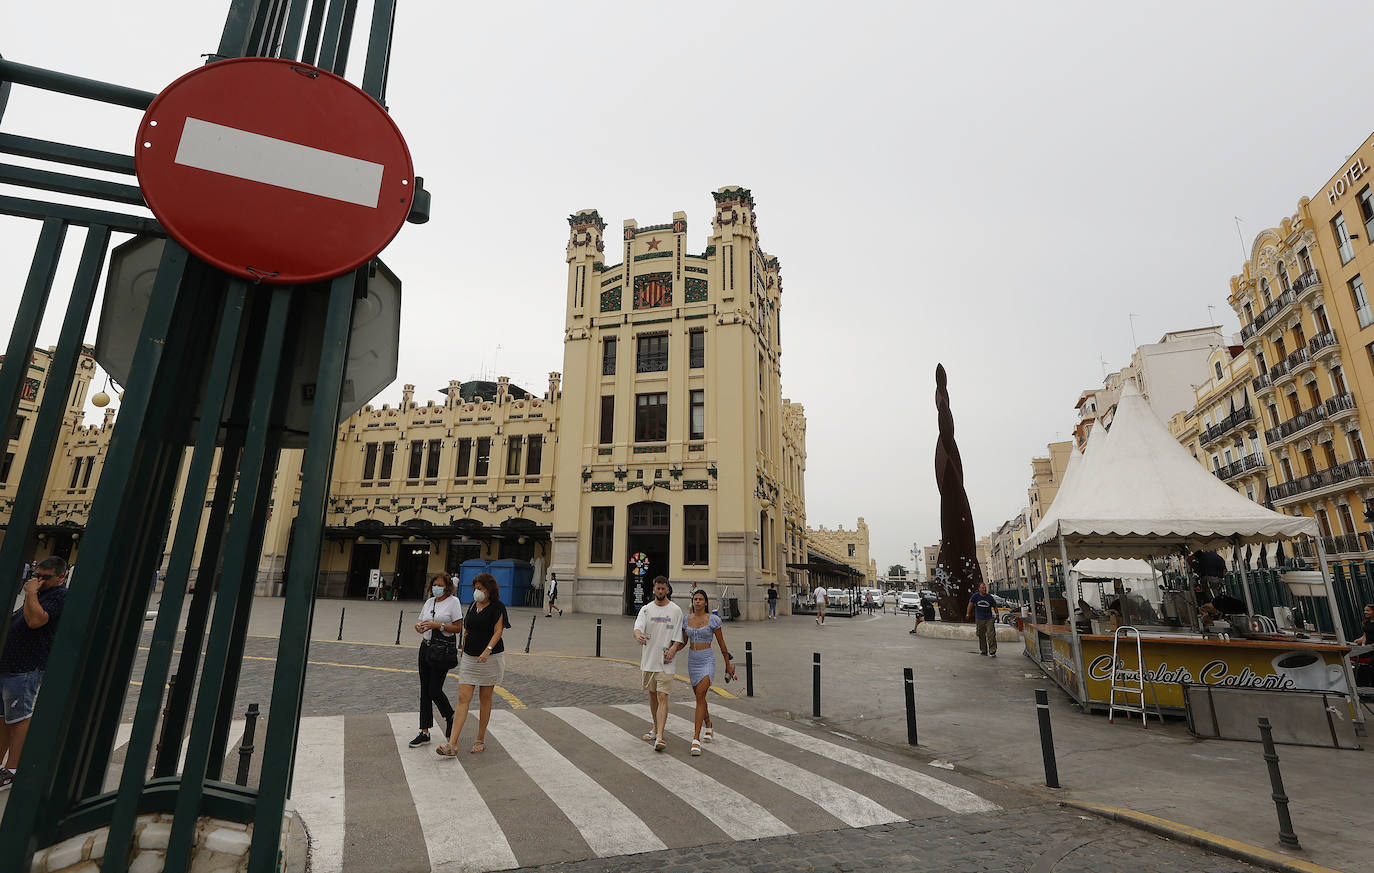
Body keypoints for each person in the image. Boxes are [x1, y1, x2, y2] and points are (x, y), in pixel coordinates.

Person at [0, 557, 68, 790]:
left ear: (61, 576)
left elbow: (35, 620)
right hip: (10, 664)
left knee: (19, 718)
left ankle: (13, 769)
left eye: (45, 577)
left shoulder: (59, 595)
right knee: (3, 718)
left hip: (26, 665)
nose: (39, 580)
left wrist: (30, 592)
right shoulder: (42, 593)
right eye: (37, 575)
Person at [438, 572, 510, 755]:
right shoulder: (472, 606)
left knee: (485, 698)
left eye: (480, 589)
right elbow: (468, 628)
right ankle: (452, 744)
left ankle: (480, 738)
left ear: (489, 590)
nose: (476, 592)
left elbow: (498, 631)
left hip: (490, 659)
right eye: (475, 588)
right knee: (463, 699)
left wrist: (488, 650)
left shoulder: (497, 607)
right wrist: (463, 645)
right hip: (470, 657)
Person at [407, 572, 463, 749]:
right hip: (426, 647)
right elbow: (421, 624)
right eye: (434, 585)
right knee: (424, 690)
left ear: (447, 586)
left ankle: (449, 715)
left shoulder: (453, 602)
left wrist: (439, 625)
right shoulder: (429, 602)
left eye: (440, 585)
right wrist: (419, 627)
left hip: (442, 650)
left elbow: (458, 628)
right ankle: (424, 731)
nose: (436, 588)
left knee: (434, 689)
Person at [633, 576, 684, 752]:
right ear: (653, 589)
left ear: (667, 589)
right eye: (658, 589)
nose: (660, 591)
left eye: (663, 589)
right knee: (653, 695)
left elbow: (679, 636)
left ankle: (660, 737)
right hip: (649, 660)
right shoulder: (646, 610)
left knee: (663, 696)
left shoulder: (676, 610)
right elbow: (637, 627)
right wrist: (638, 635)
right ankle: (655, 728)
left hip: (666, 661)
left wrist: (674, 648)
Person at [683, 590, 737, 756]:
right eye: (695, 599)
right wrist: (670, 650)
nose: (697, 602)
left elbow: (722, 645)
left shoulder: (713, 620)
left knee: (700, 696)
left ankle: (695, 739)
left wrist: (728, 665)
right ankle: (709, 724)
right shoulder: (687, 619)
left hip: (707, 660)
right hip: (693, 660)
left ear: (706, 602)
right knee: (700, 697)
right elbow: (682, 642)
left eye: (700, 599)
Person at [966, 582, 998, 657]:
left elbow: (995, 606)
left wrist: (997, 614)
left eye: (985, 588)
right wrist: (968, 613)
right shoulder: (975, 596)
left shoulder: (989, 597)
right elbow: (970, 604)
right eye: (983, 588)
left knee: (991, 635)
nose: (984, 589)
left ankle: (992, 651)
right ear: (979, 589)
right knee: (981, 635)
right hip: (979, 618)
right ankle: (983, 650)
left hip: (989, 618)